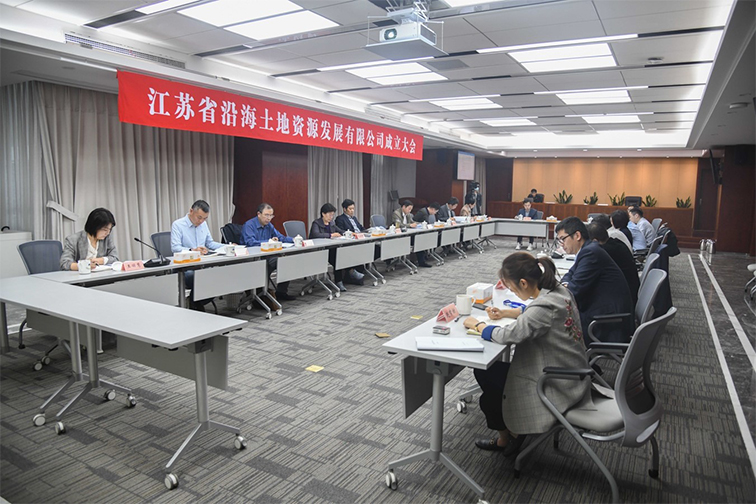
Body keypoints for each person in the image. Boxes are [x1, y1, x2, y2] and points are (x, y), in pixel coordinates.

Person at [462, 253, 590, 455]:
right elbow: (533, 313)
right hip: (572, 371)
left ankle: (508, 438)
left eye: (512, 288)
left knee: (488, 389)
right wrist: (506, 313)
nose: (512, 291)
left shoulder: (544, 306)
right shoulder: (558, 291)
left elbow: (507, 335)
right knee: (490, 374)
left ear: (523, 282)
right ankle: (512, 429)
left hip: (556, 381)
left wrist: (478, 325)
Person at [556, 217, 634, 342]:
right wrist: (566, 284)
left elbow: (573, 291)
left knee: (554, 325)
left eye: (563, 239)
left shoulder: (590, 253)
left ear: (577, 235)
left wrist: (566, 286)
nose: (562, 244)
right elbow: (570, 274)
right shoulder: (588, 250)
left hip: (606, 322)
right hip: (603, 310)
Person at [171, 200, 226, 309]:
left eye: (205, 218)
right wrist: (193, 250)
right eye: (199, 217)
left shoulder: (203, 224)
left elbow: (210, 243)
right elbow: (175, 248)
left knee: (219, 277)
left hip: (201, 265)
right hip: (185, 268)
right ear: (191, 211)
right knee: (203, 278)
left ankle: (194, 303)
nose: (201, 221)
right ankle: (195, 305)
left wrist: (227, 247)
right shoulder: (178, 225)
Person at [241, 203, 295, 300]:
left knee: (286, 261)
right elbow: (250, 243)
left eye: (271, 215)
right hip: (252, 259)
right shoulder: (249, 225)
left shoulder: (269, 225)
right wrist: (269, 241)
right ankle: (261, 293)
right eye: (266, 215)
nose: (269, 218)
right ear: (259, 214)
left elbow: (280, 237)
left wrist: (294, 240)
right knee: (269, 265)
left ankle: (281, 292)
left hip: (267, 256)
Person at [588, 222, 639, 308]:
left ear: (594, 241)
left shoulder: (604, 252)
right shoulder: (616, 242)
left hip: (621, 301)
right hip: (629, 292)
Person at [310, 203, 349, 292]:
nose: (331, 217)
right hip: (318, 250)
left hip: (330, 249)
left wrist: (347, 233)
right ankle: (339, 281)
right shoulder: (316, 223)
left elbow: (340, 231)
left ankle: (340, 280)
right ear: (323, 214)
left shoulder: (332, 223)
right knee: (336, 256)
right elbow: (315, 235)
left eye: (332, 215)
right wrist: (331, 235)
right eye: (329, 215)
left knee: (339, 255)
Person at [334, 199, 367, 285]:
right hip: (351, 242)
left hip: (360, 239)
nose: (352, 211)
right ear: (344, 209)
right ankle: (351, 273)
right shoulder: (340, 219)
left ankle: (358, 271)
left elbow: (361, 228)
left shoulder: (354, 218)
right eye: (350, 209)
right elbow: (341, 231)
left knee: (375, 249)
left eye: (353, 209)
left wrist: (367, 231)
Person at [391, 200, 431, 268]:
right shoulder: (396, 213)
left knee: (419, 240)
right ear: (403, 207)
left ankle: (421, 261)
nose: (410, 211)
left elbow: (412, 222)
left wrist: (420, 223)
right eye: (409, 209)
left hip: (408, 234)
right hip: (398, 236)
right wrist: (410, 225)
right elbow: (399, 224)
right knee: (416, 240)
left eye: (411, 209)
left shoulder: (408, 214)